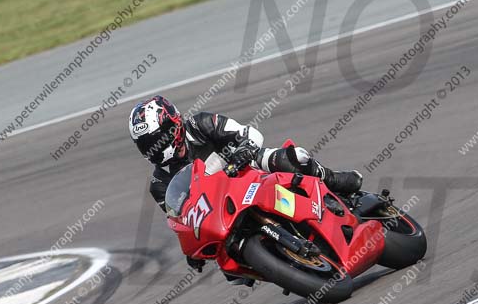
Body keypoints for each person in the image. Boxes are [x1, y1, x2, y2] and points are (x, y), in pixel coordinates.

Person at [128, 95, 362, 281]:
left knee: (291, 158)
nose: (153, 148)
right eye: (145, 145)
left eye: (154, 140)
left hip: (249, 172)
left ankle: (332, 179)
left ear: (173, 125)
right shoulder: (159, 184)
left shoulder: (201, 125)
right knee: (229, 268)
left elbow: (248, 133)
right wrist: (191, 249)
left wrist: (243, 150)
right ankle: (280, 265)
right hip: (220, 213)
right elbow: (180, 219)